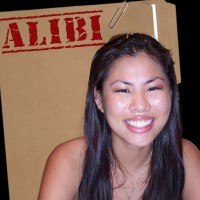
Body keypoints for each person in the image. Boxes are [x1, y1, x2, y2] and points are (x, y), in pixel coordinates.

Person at [37, 33, 200, 200]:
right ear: (99, 99)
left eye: (152, 88)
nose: (140, 105)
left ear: (171, 94)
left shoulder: (185, 157)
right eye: (123, 90)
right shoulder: (70, 161)